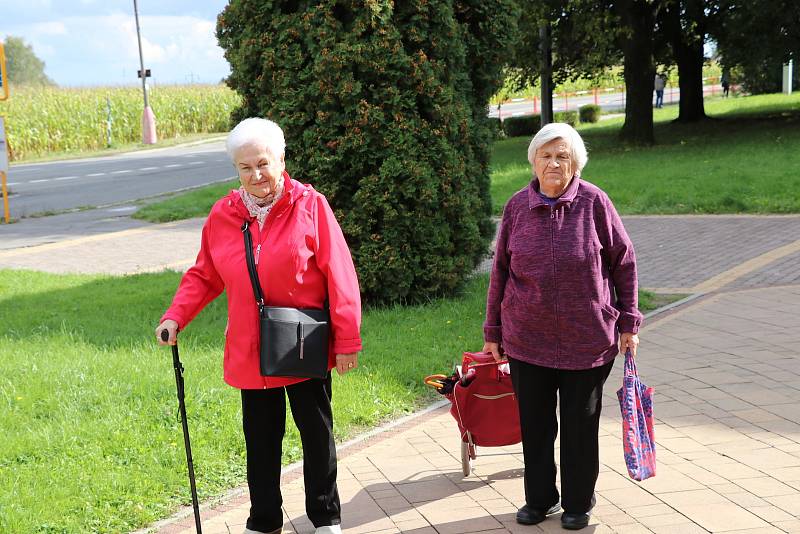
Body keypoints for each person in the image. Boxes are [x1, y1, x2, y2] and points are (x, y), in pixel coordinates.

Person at [155, 118, 362, 534]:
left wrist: (347, 338)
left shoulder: (310, 205)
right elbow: (204, 274)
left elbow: (339, 272)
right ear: (237, 170)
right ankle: (265, 519)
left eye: (263, 164)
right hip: (252, 347)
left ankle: (325, 517)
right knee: (261, 442)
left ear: (281, 159)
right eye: (245, 168)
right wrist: (176, 315)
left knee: (316, 434)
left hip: (304, 339)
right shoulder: (223, 214)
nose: (256, 176)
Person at [483, 122, 642, 531]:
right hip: (526, 338)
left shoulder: (595, 203)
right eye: (546, 156)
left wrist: (629, 321)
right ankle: (539, 500)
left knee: (580, 425)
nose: (553, 163)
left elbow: (624, 262)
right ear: (533, 162)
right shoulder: (517, 206)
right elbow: (500, 271)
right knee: (535, 425)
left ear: (576, 164)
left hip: (587, 338)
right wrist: (492, 331)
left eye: (562, 156)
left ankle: (577, 501)